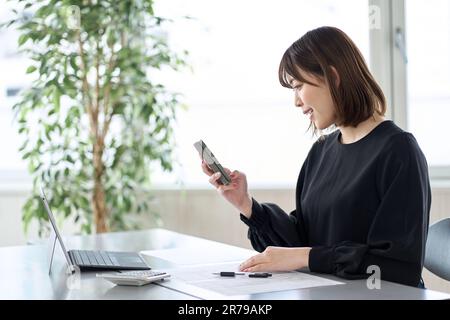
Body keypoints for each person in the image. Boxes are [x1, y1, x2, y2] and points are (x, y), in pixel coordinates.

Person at [200, 26, 431, 288]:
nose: (296, 102)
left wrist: (307, 256)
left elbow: (398, 268)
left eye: (298, 86)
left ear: (333, 77)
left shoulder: (398, 151)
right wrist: (247, 205)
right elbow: (302, 242)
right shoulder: (321, 151)